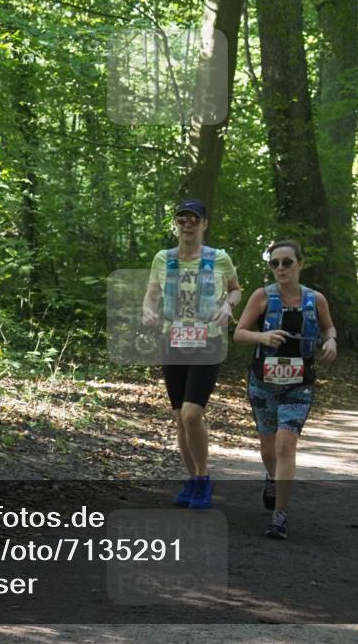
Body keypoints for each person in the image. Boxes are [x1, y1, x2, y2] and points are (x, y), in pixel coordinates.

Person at [233, 240, 337, 539]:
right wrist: (263, 337)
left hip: (299, 384)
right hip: (263, 383)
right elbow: (240, 334)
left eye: (287, 262)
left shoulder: (315, 299)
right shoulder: (261, 297)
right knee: (268, 449)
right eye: (274, 263)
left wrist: (331, 340)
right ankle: (271, 476)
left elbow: (329, 327)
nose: (280, 268)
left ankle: (280, 515)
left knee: (285, 445)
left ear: (300, 264)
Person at [142, 199, 241, 510]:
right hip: (172, 342)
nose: (188, 224)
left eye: (194, 219)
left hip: (207, 342)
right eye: (182, 219)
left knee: (191, 413)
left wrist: (228, 305)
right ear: (176, 224)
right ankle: (193, 480)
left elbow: (236, 288)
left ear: (204, 224)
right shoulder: (163, 259)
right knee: (178, 419)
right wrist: (147, 310)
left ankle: (203, 478)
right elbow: (151, 295)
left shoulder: (219, 258)